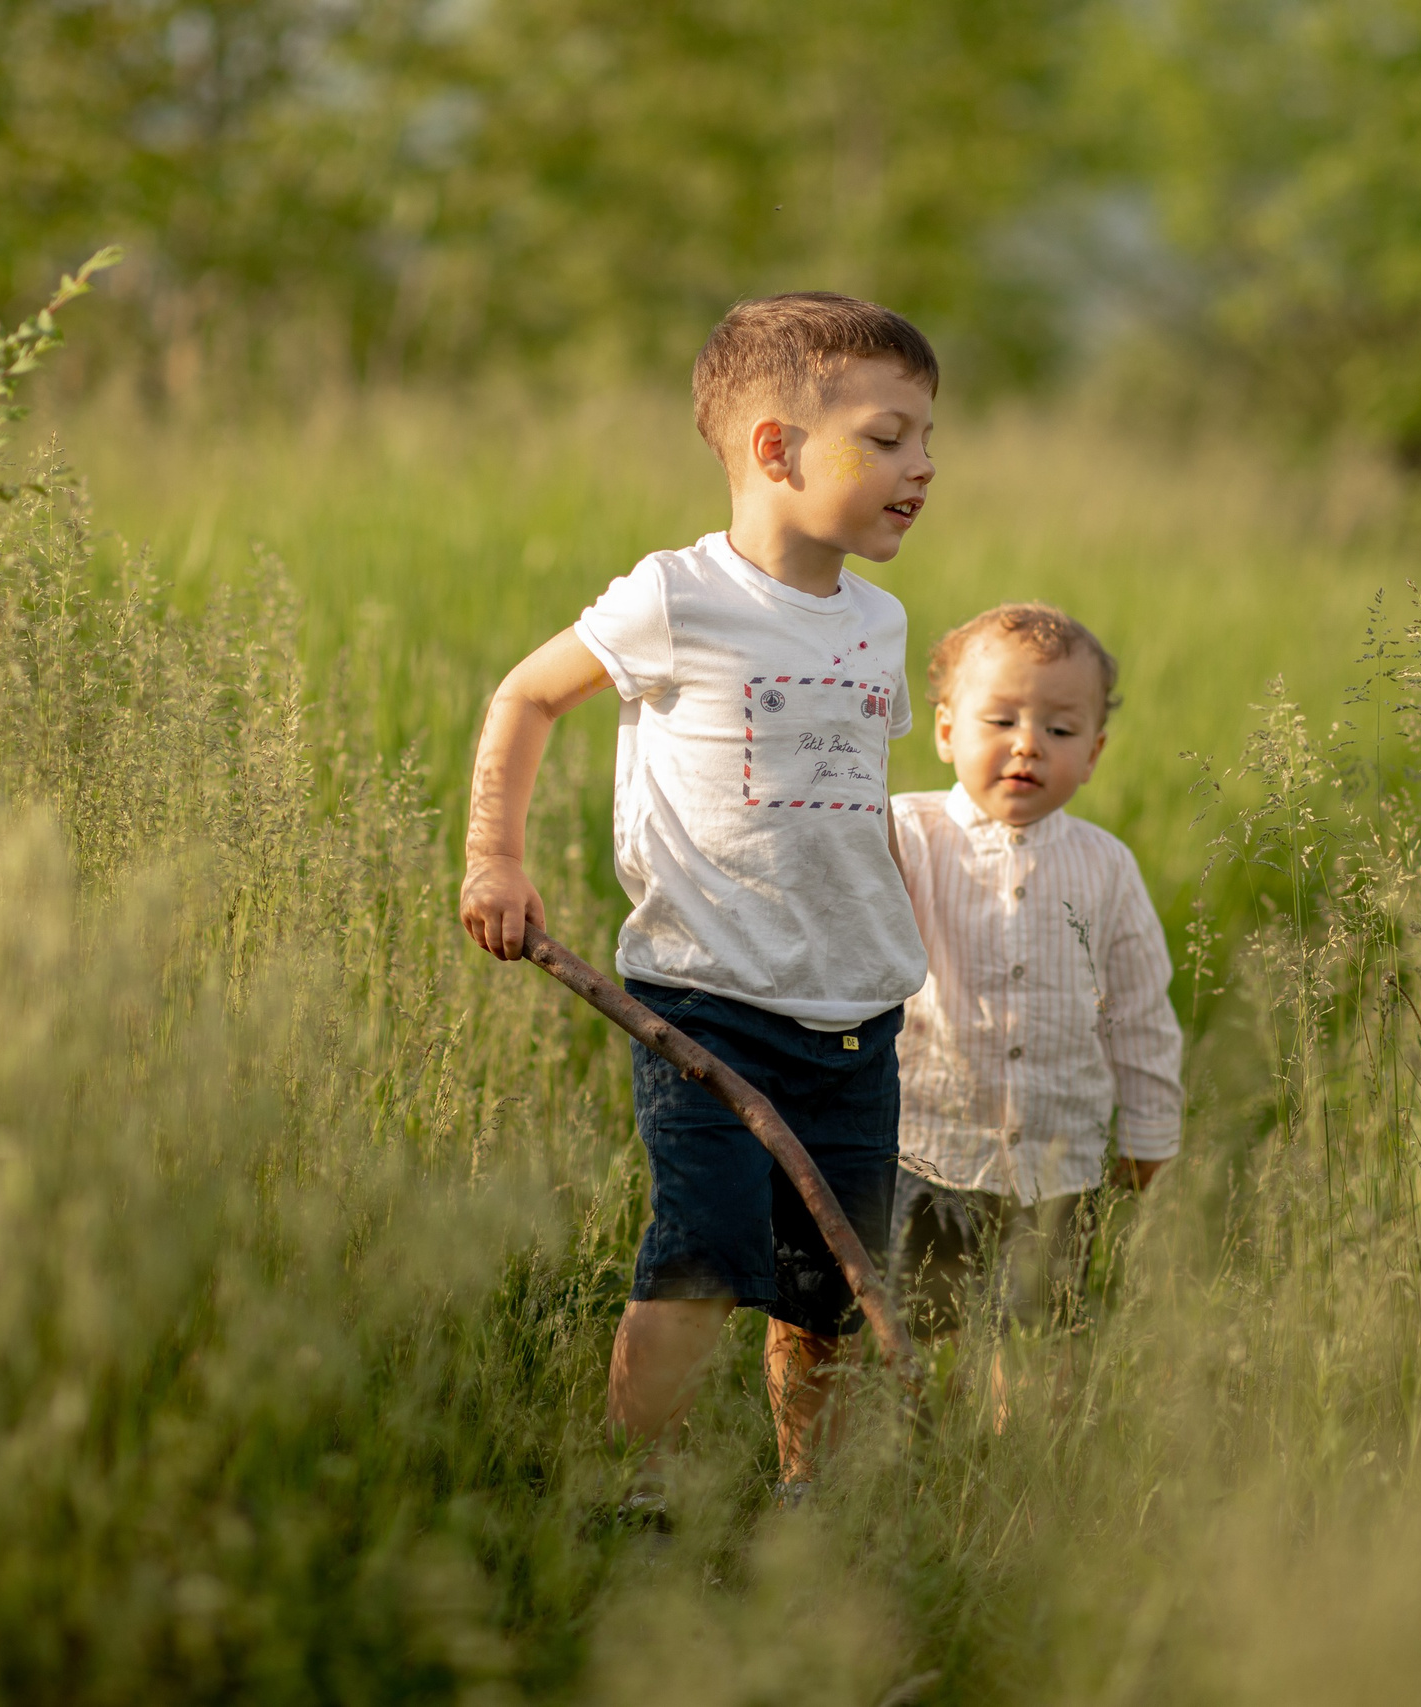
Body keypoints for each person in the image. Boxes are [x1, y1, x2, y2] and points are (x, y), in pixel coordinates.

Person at [458, 293, 937, 1512]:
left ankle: (804, 1497)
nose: (921, 467)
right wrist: (492, 860)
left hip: (852, 1016)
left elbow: (847, 802)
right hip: (709, 1004)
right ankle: (643, 1488)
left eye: (927, 440)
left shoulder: (878, 622)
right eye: (887, 439)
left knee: (827, 1280)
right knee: (700, 1263)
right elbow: (525, 698)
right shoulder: (677, 597)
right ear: (775, 449)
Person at [887, 604, 1183, 1402]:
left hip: (1058, 1160)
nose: (1027, 744)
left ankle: (1012, 1472)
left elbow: (1140, 1012)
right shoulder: (906, 837)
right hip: (926, 1145)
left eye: (1058, 729)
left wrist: (1150, 1129)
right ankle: (904, 1460)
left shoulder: (1107, 868)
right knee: (908, 1324)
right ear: (946, 731)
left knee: (1041, 1334)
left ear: (1094, 753)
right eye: (1002, 719)